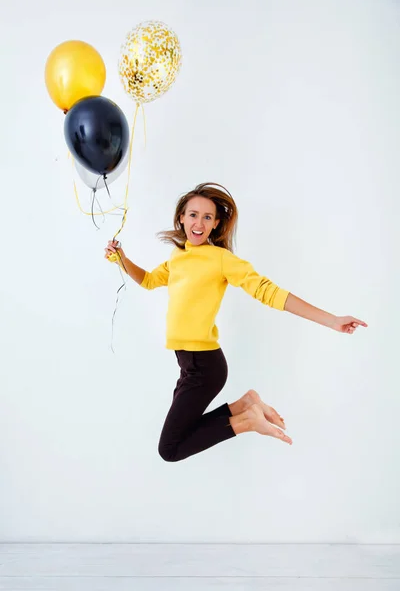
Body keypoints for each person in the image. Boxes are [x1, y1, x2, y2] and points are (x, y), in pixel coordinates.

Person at [104, 183, 367, 462]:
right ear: (181, 217)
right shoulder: (178, 257)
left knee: (169, 449)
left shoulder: (221, 259)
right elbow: (148, 280)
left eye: (207, 217)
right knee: (181, 435)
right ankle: (246, 404)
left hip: (204, 367)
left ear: (216, 223)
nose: (199, 223)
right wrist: (121, 258)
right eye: (193, 215)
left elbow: (269, 292)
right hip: (188, 363)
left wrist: (332, 320)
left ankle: (248, 421)